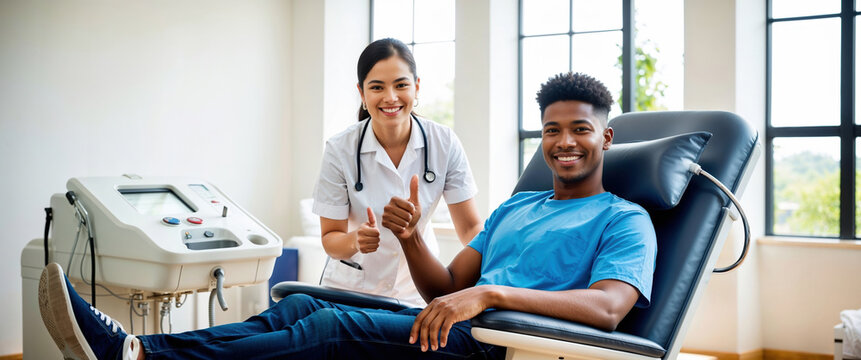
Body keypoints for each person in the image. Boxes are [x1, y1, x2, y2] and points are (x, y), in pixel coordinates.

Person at [38, 72, 657, 360]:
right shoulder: (520, 206)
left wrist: (488, 295)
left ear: (606, 140)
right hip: (458, 323)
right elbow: (443, 288)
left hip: (503, 342)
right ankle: (138, 350)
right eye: (552, 130)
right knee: (303, 306)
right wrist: (411, 237)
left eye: (581, 130)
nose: (564, 142)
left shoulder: (625, 219)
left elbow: (609, 308)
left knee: (325, 331)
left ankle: (140, 359)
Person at [313, 38, 482, 306]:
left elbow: (471, 227)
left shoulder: (444, 142)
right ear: (362, 92)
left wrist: (490, 277)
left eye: (401, 85)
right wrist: (355, 241)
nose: (390, 97)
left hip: (417, 293)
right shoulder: (339, 149)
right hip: (348, 293)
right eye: (377, 87)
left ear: (416, 87)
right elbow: (330, 238)